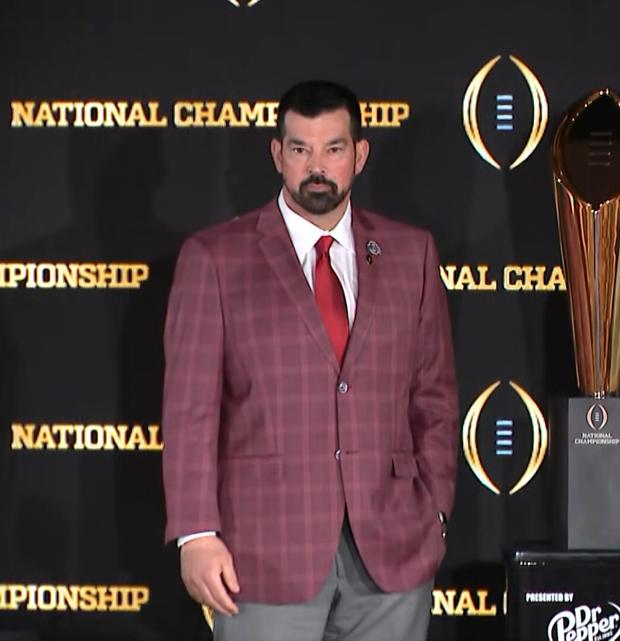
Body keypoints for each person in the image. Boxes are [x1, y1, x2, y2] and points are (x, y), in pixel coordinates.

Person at [162, 79, 458, 641]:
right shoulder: (215, 259)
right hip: (264, 555)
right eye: (300, 149)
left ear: (360, 155)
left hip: (393, 552)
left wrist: (434, 510)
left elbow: (434, 396)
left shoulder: (410, 253)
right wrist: (196, 533)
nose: (316, 166)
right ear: (277, 154)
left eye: (333, 149)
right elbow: (190, 411)